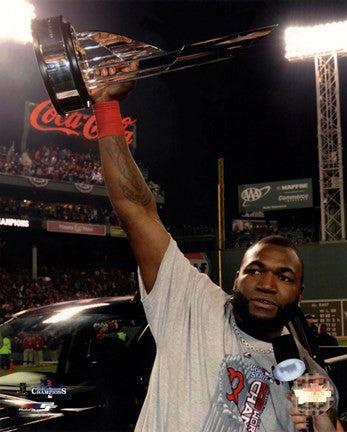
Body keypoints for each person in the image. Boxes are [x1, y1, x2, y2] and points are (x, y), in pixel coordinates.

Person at [91, 64, 338, 431]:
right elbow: (137, 212)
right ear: (237, 276)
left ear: (299, 293)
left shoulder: (309, 378)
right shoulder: (190, 303)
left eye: (283, 277)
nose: (267, 284)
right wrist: (107, 106)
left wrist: (319, 424)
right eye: (255, 270)